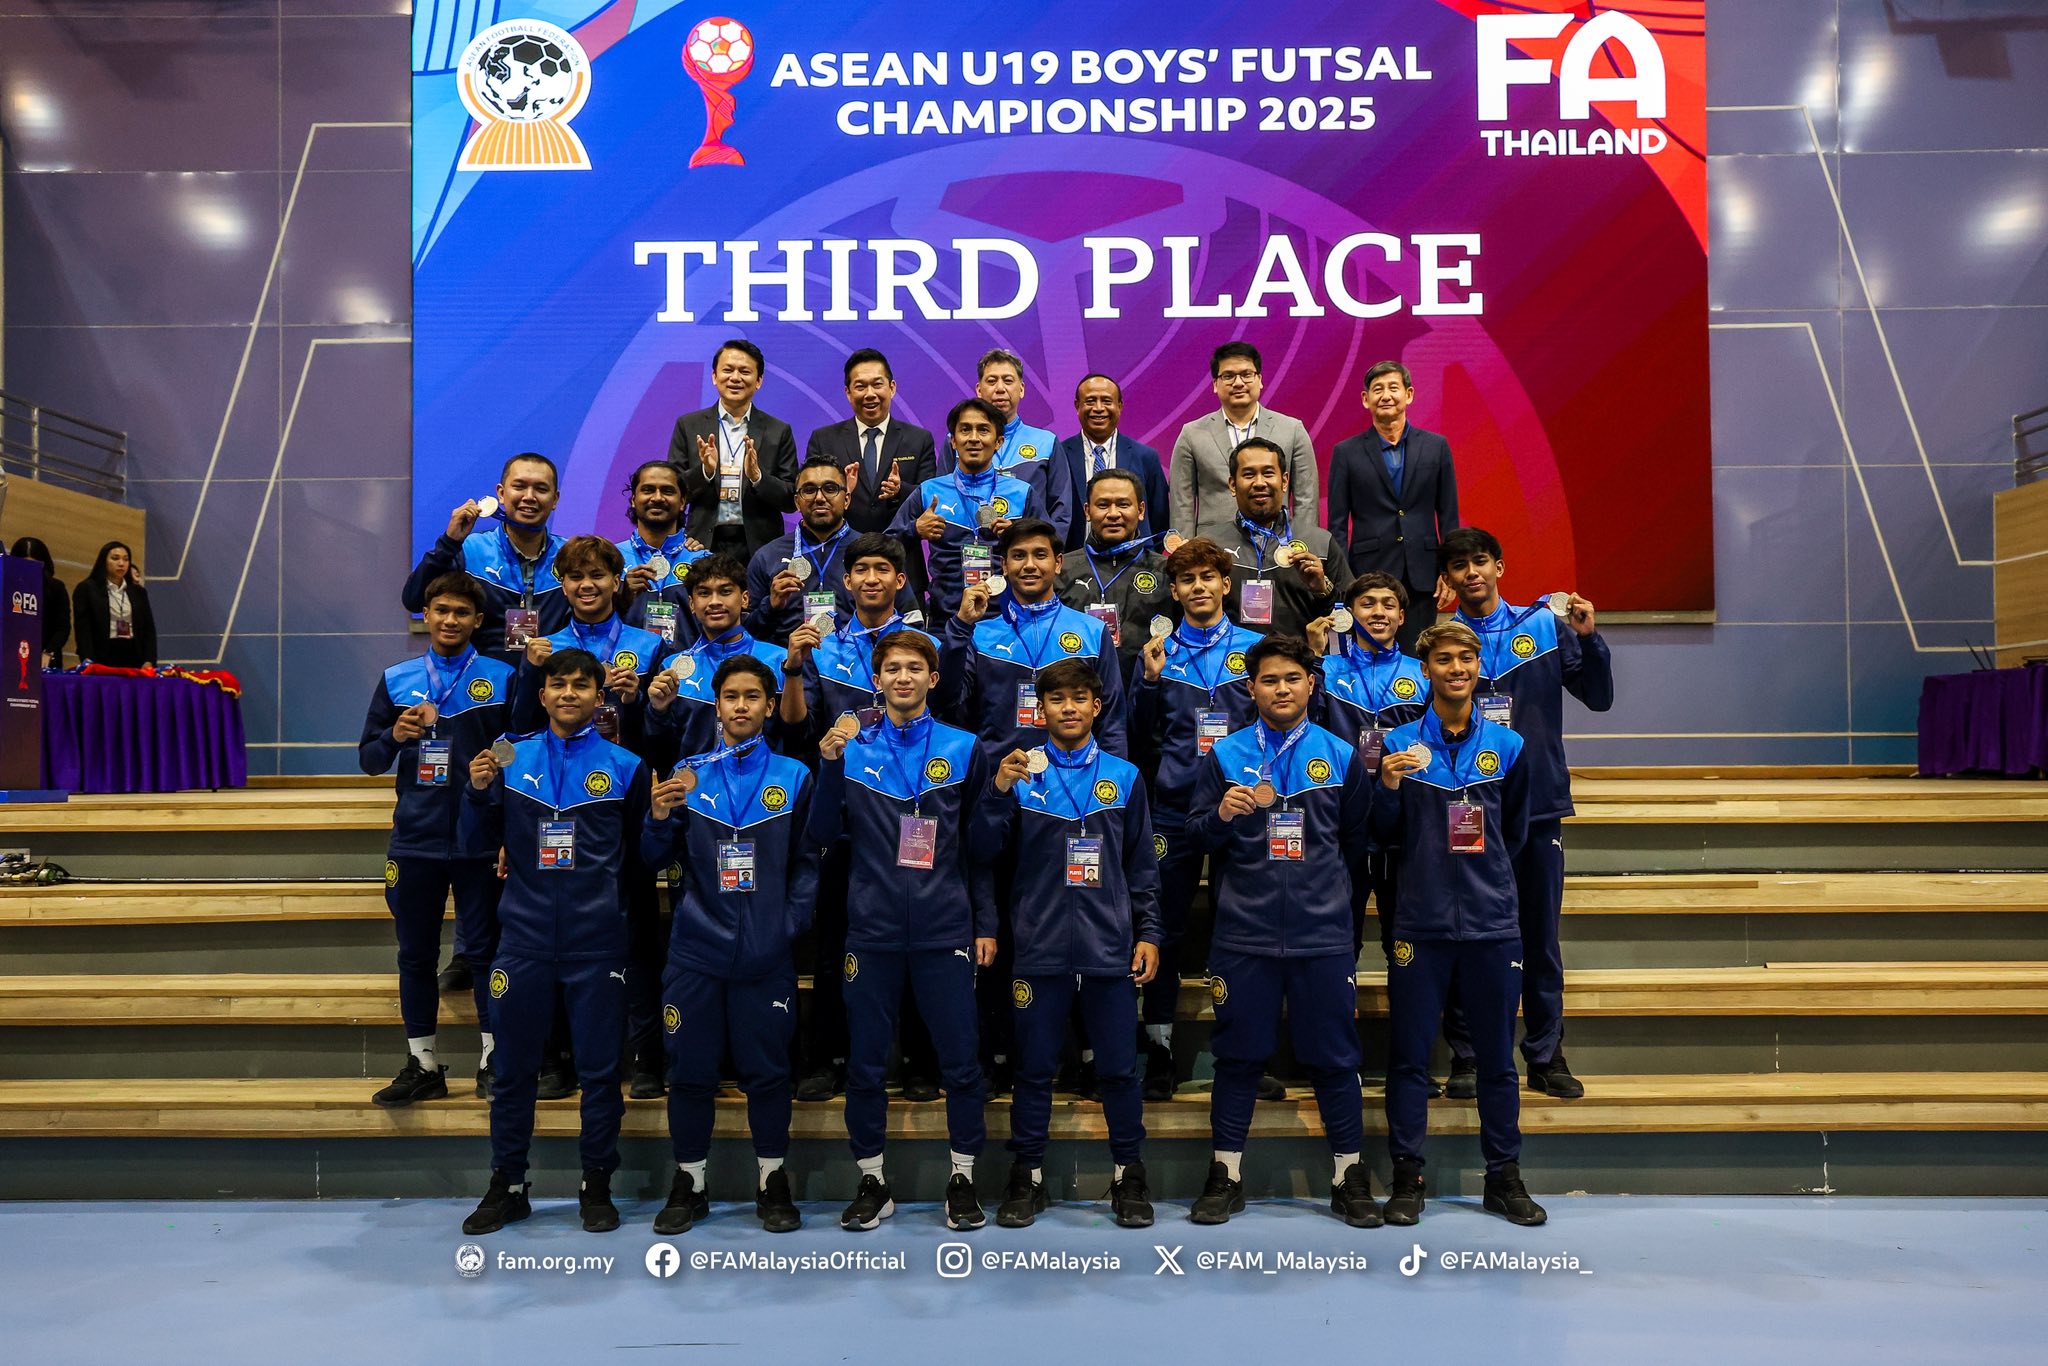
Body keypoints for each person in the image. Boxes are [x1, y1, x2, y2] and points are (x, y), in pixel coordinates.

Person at [1184, 636, 1378, 1228]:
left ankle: (1349, 1177)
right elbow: (1195, 835)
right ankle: (1224, 1175)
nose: (1282, 689)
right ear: (1251, 689)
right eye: (1269, 680)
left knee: (1335, 1058)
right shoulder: (1224, 756)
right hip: (1244, 935)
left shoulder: (1340, 755)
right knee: (1238, 1058)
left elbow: (1355, 846)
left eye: (1293, 678)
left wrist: (1339, 922)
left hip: (1323, 937)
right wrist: (1222, 815)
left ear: (1312, 685)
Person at [806, 631, 995, 1232]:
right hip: (872, 929)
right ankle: (872, 1181)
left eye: (915, 667)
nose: (903, 677)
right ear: (877, 680)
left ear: (933, 680)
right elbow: (819, 833)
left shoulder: (965, 748)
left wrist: (985, 922)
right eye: (892, 668)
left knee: (961, 1063)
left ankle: (963, 1179)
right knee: (865, 1065)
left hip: (946, 928)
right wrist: (828, 765)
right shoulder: (850, 748)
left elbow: (981, 848)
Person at [458, 648, 650, 1236]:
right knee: (514, 1073)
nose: (569, 694)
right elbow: (473, 843)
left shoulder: (627, 766)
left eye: (581, 685)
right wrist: (475, 792)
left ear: (600, 696)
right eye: (559, 685)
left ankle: (597, 1184)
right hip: (524, 940)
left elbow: (642, 858)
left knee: (600, 1074)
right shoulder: (508, 757)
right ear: (541, 695)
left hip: (599, 944)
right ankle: (508, 1185)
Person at [974, 657, 1159, 1228]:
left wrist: (1149, 933)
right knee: (1033, 1069)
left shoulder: (1124, 777)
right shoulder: (1018, 774)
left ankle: (1129, 1174)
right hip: (1039, 947)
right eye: (1057, 699)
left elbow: (1142, 866)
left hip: (1109, 949)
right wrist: (998, 791)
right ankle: (1026, 1174)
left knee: (1119, 1071)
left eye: (1080, 698)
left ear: (1097, 707)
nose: (1069, 708)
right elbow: (982, 851)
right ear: (1041, 709)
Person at [1372, 619, 1545, 1227]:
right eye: (1444, 660)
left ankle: (1504, 1178)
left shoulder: (1509, 746)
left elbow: (1515, 832)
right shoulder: (1399, 746)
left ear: (1478, 667)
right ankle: (1407, 1179)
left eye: (1465, 659)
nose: (1456, 669)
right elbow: (1381, 834)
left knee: (1497, 1060)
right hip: (1419, 925)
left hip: (1492, 924)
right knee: (1409, 1059)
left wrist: (1486, 882)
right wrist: (1387, 786)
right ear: (1426, 670)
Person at [642, 654, 820, 1234]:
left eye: (752, 697)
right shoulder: (686, 773)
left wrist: (786, 926)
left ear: (770, 707)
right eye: (730, 697)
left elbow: (806, 863)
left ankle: (772, 1180)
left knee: (767, 1072)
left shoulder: (794, 776)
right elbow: (653, 859)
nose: (740, 706)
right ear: (716, 707)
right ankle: (689, 1182)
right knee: (690, 1072)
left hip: (766, 954)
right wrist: (657, 819)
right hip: (696, 952)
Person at [1438, 527, 1614, 1101]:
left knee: (1539, 938)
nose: (1471, 573)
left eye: (1480, 561)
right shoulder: (1440, 643)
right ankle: (1469, 1057)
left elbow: (1598, 698)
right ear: (1448, 579)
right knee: (1467, 936)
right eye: (1459, 565)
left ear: (1500, 566)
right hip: (1466, 807)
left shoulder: (1543, 626)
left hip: (1537, 807)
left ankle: (1545, 1054)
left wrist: (1589, 639)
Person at [777, 532, 948, 1103]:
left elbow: (947, 722)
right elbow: (798, 729)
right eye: (861, 570)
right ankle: (830, 1058)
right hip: (847, 817)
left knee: (919, 939)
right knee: (836, 944)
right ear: (845, 581)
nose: (871, 578)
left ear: (901, 580)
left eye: (882, 569)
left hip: (914, 811)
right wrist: (794, 669)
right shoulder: (823, 649)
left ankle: (921, 1061)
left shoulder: (926, 648)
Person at [508, 534, 671, 1097]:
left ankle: (646, 1055)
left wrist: (636, 701)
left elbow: (659, 739)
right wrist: (529, 671)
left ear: (616, 582)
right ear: (562, 583)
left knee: (639, 929)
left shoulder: (648, 645)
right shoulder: (544, 649)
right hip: (554, 799)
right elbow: (520, 728)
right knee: (555, 938)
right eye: (575, 576)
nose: (586, 586)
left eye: (598, 575)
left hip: (623, 794)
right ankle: (556, 1057)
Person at [358, 571, 512, 1105]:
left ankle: (494, 1061)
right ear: (426, 615)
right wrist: (392, 736)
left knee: (488, 953)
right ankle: (422, 1065)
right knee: (415, 956)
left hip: (478, 839)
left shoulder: (502, 677)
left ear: (478, 620)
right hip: (415, 842)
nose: (450, 620)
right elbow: (369, 760)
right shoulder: (397, 678)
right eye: (441, 610)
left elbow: (517, 753)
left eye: (461, 612)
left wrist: (504, 825)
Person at [1127, 537, 1263, 1101]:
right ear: (1175, 590)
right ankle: (1159, 1049)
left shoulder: (1255, 651)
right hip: (1174, 808)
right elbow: (1136, 735)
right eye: (1188, 579)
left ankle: (1245, 1052)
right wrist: (1148, 682)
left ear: (1226, 585)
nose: (1199, 586)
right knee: (1163, 927)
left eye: (1209, 577)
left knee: (1242, 927)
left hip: (1241, 804)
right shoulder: (1157, 653)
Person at [1308, 571, 1430, 966]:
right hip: (1343, 819)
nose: (1378, 612)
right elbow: (1306, 730)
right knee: (1341, 937)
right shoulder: (1326, 670)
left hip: (1404, 818)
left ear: (1401, 617)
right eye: (1367, 604)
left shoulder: (1422, 672)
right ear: (1348, 614)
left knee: (1406, 938)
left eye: (1388, 605)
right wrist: (1312, 658)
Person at [1326, 362, 1458, 649]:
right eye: (1378, 389)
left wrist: (1448, 572)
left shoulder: (1436, 447)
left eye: (1393, 388)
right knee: (1368, 654)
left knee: (1418, 653)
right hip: (1368, 573)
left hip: (1423, 574)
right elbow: (1337, 524)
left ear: (1408, 394)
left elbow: (1449, 516)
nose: (1386, 395)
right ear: (1366, 399)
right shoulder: (1346, 452)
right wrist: (1344, 582)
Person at [403, 453, 566, 660]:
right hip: (482, 678)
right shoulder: (470, 551)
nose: (529, 496)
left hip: (551, 678)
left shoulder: (569, 557)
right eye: (519, 486)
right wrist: (449, 543)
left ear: (555, 499)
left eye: (541, 489)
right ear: (501, 493)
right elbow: (414, 600)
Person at [745, 456, 920, 646]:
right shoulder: (767, 556)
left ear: (847, 499)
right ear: (797, 501)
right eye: (809, 490)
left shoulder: (875, 554)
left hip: (861, 661)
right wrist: (771, 605)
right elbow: (746, 635)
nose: (820, 498)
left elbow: (911, 622)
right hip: (788, 661)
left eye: (830, 489)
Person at [889, 397, 1039, 618]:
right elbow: (884, 546)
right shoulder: (929, 491)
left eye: (983, 430)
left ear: (999, 441)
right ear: (953, 441)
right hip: (945, 619)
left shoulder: (1022, 493)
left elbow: (1048, 552)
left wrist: (1019, 538)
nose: (974, 438)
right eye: (965, 430)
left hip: (1008, 619)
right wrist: (914, 530)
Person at [644, 553, 791, 760]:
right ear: (692, 604)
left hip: (765, 779)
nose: (714, 602)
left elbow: (795, 738)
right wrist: (658, 711)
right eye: (704, 593)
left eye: (725, 592)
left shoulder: (780, 661)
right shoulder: (672, 667)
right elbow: (661, 751)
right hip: (694, 779)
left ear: (745, 599)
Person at [1169, 342, 1319, 540]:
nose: (1238, 383)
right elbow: (1182, 503)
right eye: (1228, 376)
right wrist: (1186, 551)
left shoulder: (1292, 430)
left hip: (1277, 544)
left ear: (1260, 380)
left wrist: (1304, 545)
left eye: (1246, 374)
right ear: (1215, 384)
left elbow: (1306, 499)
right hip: (1213, 545)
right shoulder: (1191, 434)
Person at [1208, 437, 1349, 640]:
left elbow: (1352, 617)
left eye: (1268, 473)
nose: (1259, 483)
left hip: (1301, 659)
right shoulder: (1209, 546)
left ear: (1284, 482)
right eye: (1248, 474)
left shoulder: (1320, 543)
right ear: (1232, 485)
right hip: (1230, 660)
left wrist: (1323, 590)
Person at [671, 339, 799, 560]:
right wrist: (705, 471)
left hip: (760, 546)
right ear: (714, 376)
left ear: (758, 381)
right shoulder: (689, 426)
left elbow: (790, 500)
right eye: (728, 370)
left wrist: (758, 477)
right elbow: (674, 492)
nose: (735, 378)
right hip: (701, 543)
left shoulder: (778, 431)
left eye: (745, 371)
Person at [939, 349, 1074, 544]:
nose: (1000, 388)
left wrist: (1046, 548)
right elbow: (942, 498)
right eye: (992, 381)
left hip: (1027, 553)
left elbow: (1061, 511)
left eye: (1008, 381)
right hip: (967, 551)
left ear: (1021, 389)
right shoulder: (956, 441)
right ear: (979, 389)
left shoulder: (1046, 442)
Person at [804, 348, 937, 536]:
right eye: (860, 387)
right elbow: (809, 496)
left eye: (877, 384)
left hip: (902, 549)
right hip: (841, 549)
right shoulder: (823, 439)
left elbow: (931, 497)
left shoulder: (919, 439)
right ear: (848, 392)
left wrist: (900, 490)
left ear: (892, 388)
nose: (870, 394)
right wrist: (840, 490)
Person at [1055, 470, 1174, 671]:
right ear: (1087, 511)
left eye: (1123, 504)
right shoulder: (1061, 570)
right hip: (1078, 686)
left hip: (1147, 684)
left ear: (1141, 510)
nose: (1113, 514)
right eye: (1103, 505)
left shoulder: (1165, 571)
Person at [1056, 375, 1169, 550]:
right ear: (1077, 406)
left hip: (1136, 560)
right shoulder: (1059, 455)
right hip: (1076, 559)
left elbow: (1160, 518)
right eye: (1090, 401)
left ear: (1120, 406)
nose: (1098, 408)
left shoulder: (1146, 456)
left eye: (1106, 401)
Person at [615, 460, 704, 650]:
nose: (657, 498)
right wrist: (622, 595)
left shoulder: (702, 561)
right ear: (633, 500)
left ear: (682, 502)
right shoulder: (610, 559)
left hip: (687, 667)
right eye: (648, 490)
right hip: (625, 666)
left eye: (667, 491)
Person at [71, 540, 156, 668]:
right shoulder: (87, 589)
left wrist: (149, 660)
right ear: (103, 561)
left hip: (134, 655)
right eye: (115, 558)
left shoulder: (138, 592)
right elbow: (83, 629)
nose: (121, 563)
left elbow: (149, 628)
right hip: (101, 655)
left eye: (126, 559)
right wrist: (87, 659)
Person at [8, 538, 70, 667]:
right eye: (24, 564)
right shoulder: (6, 586)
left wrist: (48, 652)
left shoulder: (56, 588)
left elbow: (62, 627)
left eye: (35, 565)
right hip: (11, 656)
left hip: (46, 658)